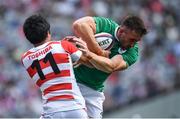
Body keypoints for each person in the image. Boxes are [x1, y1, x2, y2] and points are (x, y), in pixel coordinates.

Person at [71, 15, 148, 118]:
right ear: (121, 32)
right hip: (71, 81)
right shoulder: (106, 25)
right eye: (132, 40)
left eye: (136, 41)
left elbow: (110, 66)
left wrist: (89, 54)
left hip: (93, 91)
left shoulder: (133, 53)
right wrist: (99, 51)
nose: (133, 45)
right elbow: (79, 25)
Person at [21, 14, 88, 118]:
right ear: (48, 32)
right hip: (75, 107)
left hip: (51, 112)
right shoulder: (63, 45)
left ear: (28, 37)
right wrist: (80, 45)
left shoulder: (25, 59)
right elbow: (88, 62)